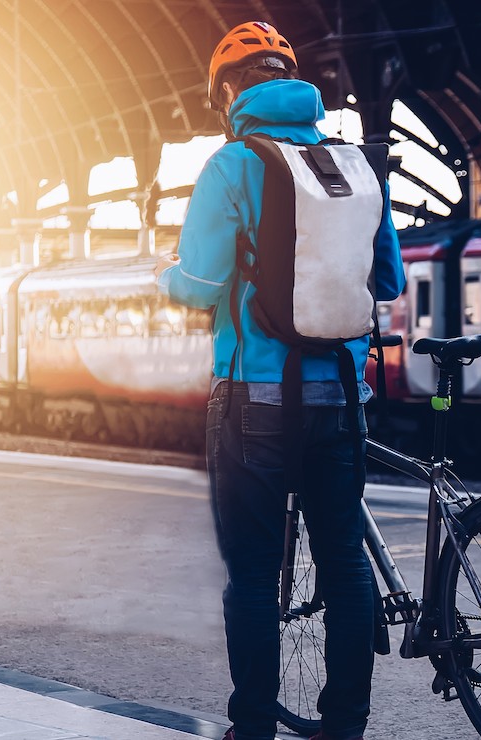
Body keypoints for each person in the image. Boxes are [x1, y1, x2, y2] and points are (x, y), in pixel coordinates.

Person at [155, 20, 404, 740]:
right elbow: (385, 278)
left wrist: (168, 280)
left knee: (256, 577)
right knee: (345, 567)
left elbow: (199, 287)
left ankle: (255, 728)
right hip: (343, 400)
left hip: (254, 402)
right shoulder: (356, 164)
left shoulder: (231, 166)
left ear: (230, 92)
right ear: (293, 81)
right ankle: (345, 727)